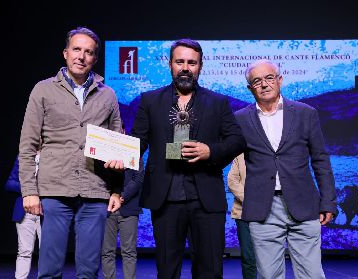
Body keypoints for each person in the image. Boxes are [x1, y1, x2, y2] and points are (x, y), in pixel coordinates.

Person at [131, 38, 246, 278]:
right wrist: (117, 156)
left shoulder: (218, 102)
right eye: (180, 61)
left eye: (192, 63)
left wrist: (210, 151)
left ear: (200, 66)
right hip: (165, 199)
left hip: (206, 200)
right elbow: (138, 142)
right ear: (170, 64)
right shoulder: (150, 101)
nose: (185, 67)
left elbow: (237, 141)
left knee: (210, 271)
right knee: (167, 270)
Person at [19, 27, 123, 279]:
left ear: (94, 59)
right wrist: (30, 191)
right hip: (55, 189)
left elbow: (117, 145)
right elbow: (27, 145)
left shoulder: (107, 95)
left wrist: (117, 190)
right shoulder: (43, 90)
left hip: (95, 189)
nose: (81, 56)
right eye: (76, 49)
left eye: (88, 52)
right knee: (49, 268)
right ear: (66, 53)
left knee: (89, 270)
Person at [234, 59, 337, 278]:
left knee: (311, 274)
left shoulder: (305, 113)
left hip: (304, 204)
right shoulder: (240, 119)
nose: (264, 84)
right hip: (264, 208)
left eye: (269, 78)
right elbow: (223, 152)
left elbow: (320, 159)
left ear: (280, 80)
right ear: (249, 87)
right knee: (269, 275)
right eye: (257, 80)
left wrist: (328, 201)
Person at [101, 123, 145, 279]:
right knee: (107, 252)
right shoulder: (102, 151)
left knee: (129, 252)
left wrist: (121, 197)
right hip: (107, 209)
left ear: (124, 131)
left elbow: (138, 179)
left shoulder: (133, 150)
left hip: (129, 208)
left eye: (120, 130)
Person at [5, 153, 41, 279]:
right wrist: (29, 189)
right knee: (24, 252)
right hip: (25, 211)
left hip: (46, 212)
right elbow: (9, 183)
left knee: (47, 253)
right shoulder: (23, 156)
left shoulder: (54, 154)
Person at [227, 153, 257, 279]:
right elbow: (232, 180)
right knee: (248, 257)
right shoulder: (240, 156)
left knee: (270, 257)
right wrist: (251, 200)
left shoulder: (271, 153)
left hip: (271, 212)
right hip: (244, 213)